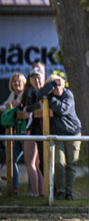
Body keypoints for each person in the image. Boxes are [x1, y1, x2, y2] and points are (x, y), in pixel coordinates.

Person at [36, 74, 82, 200]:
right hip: (57, 135)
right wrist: (51, 85)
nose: (59, 88)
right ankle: (60, 191)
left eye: (61, 85)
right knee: (58, 162)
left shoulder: (68, 94)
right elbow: (38, 94)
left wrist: (50, 99)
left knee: (71, 164)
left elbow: (61, 109)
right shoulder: (49, 94)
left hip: (73, 133)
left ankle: (69, 192)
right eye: (56, 86)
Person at [21, 67, 45, 197]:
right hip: (31, 130)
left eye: (38, 77)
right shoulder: (28, 93)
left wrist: (29, 108)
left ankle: (39, 192)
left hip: (44, 131)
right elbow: (23, 107)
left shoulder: (46, 91)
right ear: (30, 80)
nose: (36, 80)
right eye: (33, 77)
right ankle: (37, 192)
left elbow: (40, 105)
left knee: (39, 163)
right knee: (31, 162)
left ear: (43, 78)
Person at [2, 72, 27, 195]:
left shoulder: (25, 94)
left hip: (27, 133)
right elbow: (6, 106)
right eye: (14, 81)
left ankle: (35, 191)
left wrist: (16, 107)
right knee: (11, 160)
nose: (16, 83)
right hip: (17, 134)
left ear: (24, 83)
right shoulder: (13, 94)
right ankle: (14, 189)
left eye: (19, 81)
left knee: (31, 163)